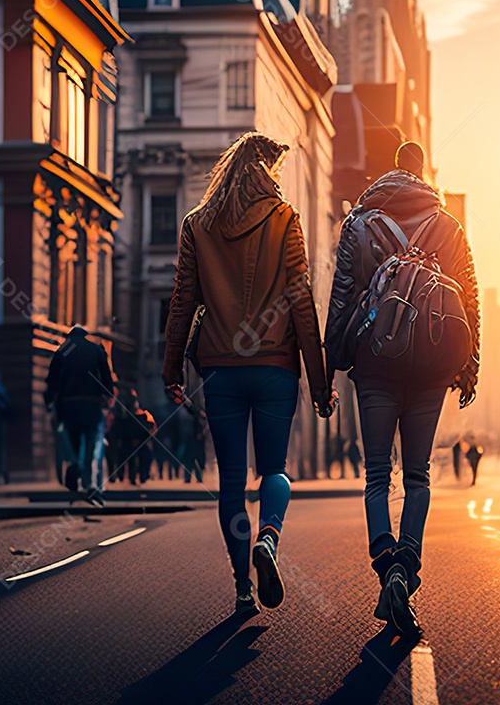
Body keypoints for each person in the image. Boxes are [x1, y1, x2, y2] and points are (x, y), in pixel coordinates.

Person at [163, 131, 335, 622]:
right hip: (276, 365)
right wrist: (320, 383)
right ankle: (268, 539)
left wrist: (171, 368)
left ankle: (242, 588)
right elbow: (301, 300)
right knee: (274, 469)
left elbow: (183, 301)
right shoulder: (285, 218)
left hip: (220, 369)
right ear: (267, 170)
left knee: (232, 481)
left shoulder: (197, 224)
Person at [325, 140, 480, 638]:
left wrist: (330, 364)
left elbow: (342, 295)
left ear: (391, 173)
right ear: (423, 175)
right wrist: (469, 364)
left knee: (377, 475)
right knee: (418, 475)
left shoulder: (359, 222)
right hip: (433, 365)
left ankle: (385, 562)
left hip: (375, 363)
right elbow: (469, 298)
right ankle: (407, 565)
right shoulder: (448, 225)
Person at [44, 326, 115, 505]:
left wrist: (49, 401)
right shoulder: (96, 350)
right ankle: (87, 480)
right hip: (91, 403)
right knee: (90, 440)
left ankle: (74, 467)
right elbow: (106, 378)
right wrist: (107, 396)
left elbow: (52, 380)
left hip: (69, 404)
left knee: (72, 439)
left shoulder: (63, 351)